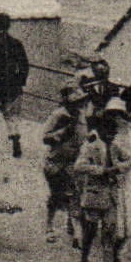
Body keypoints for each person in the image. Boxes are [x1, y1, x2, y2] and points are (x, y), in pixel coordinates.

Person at [73, 99, 131, 262]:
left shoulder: (114, 145)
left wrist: (120, 167)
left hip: (110, 197)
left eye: (113, 133)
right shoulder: (92, 145)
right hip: (94, 195)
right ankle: (84, 261)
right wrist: (101, 170)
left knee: (109, 235)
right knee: (90, 233)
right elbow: (79, 166)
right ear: (102, 131)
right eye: (109, 132)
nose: (112, 136)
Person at [40, 86, 88, 245]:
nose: (79, 104)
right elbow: (45, 137)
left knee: (75, 195)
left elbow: (85, 136)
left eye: (80, 101)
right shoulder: (59, 115)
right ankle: (49, 226)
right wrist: (63, 132)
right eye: (75, 101)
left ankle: (72, 225)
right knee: (56, 195)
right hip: (57, 160)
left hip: (74, 161)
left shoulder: (82, 116)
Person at [0, 13, 30, 155]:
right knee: (11, 116)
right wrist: (20, 81)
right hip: (12, 86)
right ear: (9, 26)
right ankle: (15, 143)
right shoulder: (16, 43)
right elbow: (24, 65)